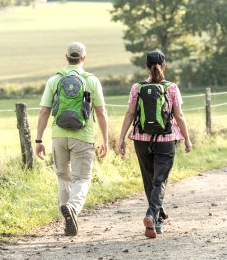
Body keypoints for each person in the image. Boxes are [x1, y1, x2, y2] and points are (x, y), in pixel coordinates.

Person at [35, 42, 108, 236]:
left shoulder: (54, 80)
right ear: (83, 58)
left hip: (59, 136)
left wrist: (38, 140)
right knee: (82, 178)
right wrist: (105, 140)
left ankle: (66, 217)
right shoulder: (91, 80)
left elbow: (44, 111)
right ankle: (73, 209)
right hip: (83, 136)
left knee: (62, 177)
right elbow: (101, 112)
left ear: (66, 57)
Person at [118, 49, 192, 239]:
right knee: (160, 180)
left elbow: (130, 114)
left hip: (141, 139)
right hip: (166, 140)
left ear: (146, 67)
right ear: (164, 66)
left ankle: (158, 218)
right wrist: (187, 139)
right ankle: (152, 215)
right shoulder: (172, 88)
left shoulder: (137, 88)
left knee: (149, 179)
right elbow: (179, 115)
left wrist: (121, 139)